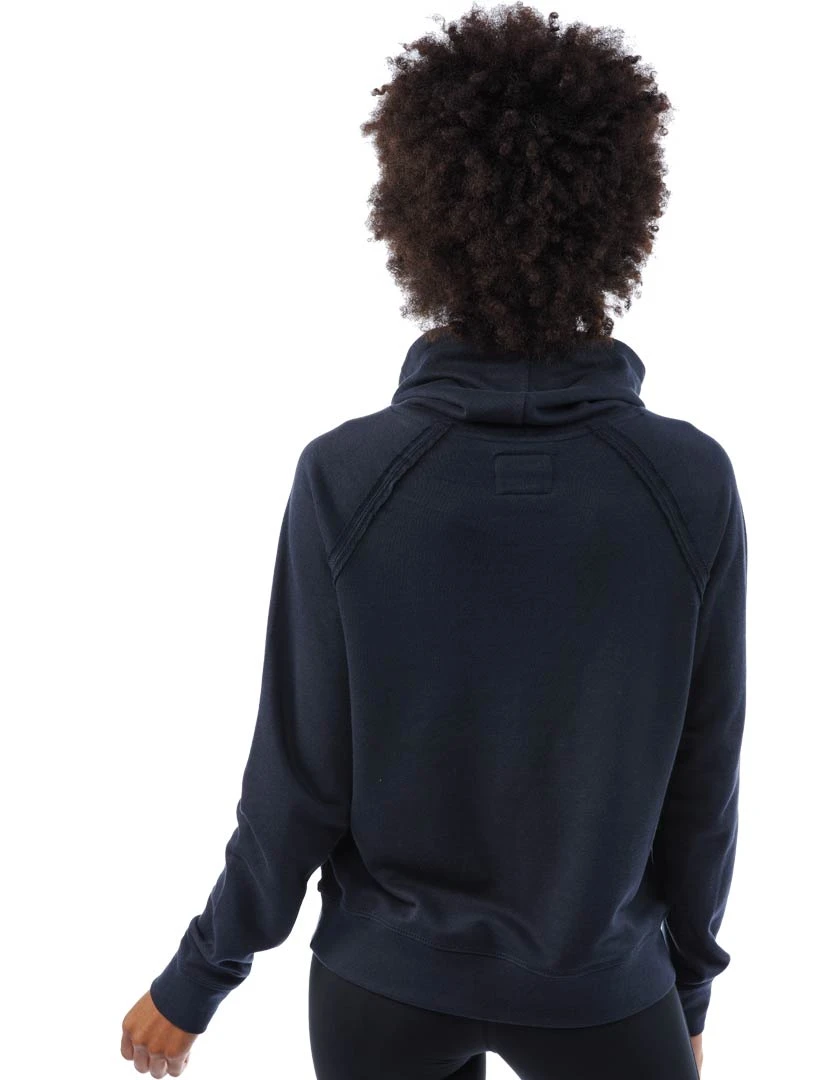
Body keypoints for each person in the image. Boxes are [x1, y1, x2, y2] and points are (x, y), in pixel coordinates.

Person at [120, 4, 747, 1077]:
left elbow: (295, 781)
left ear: (417, 214)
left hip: (382, 989)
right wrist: (685, 985)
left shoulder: (348, 476)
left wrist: (200, 975)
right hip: (601, 989)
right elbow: (705, 784)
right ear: (621, 215)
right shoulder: (688, 483)